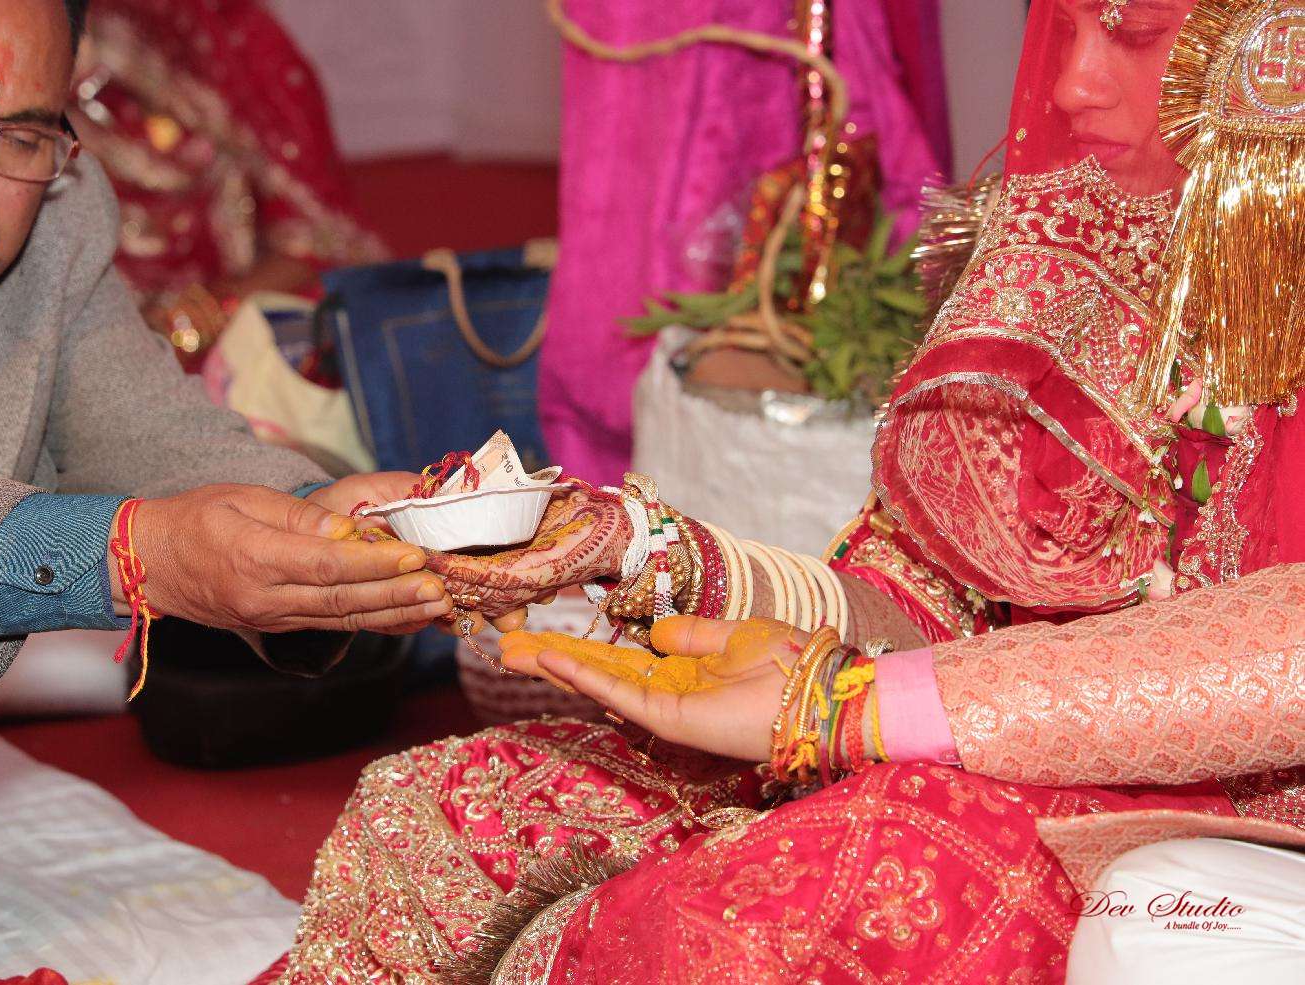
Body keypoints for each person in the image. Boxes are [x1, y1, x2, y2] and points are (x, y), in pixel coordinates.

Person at [262, 0, 1305, 981]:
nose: (1072, 84)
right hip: (946, 736)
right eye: (1061, 22)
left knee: (840, 881)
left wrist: (841, 708)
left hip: (1227, 825)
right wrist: (643, 552)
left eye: (1135, 31)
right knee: (452, 807)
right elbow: (928, 596)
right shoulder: (1091, 245)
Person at [0, 0, 469, 957]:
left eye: (21, 134)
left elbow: (141, 423)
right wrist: (136, 554)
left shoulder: (51, 215)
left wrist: (315, 522)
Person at [70, 0, 386, 359]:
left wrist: (186, 327)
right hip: (61, 353)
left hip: (225, 351)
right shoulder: (38, 35)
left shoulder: (234, 33)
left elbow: (320, 242)